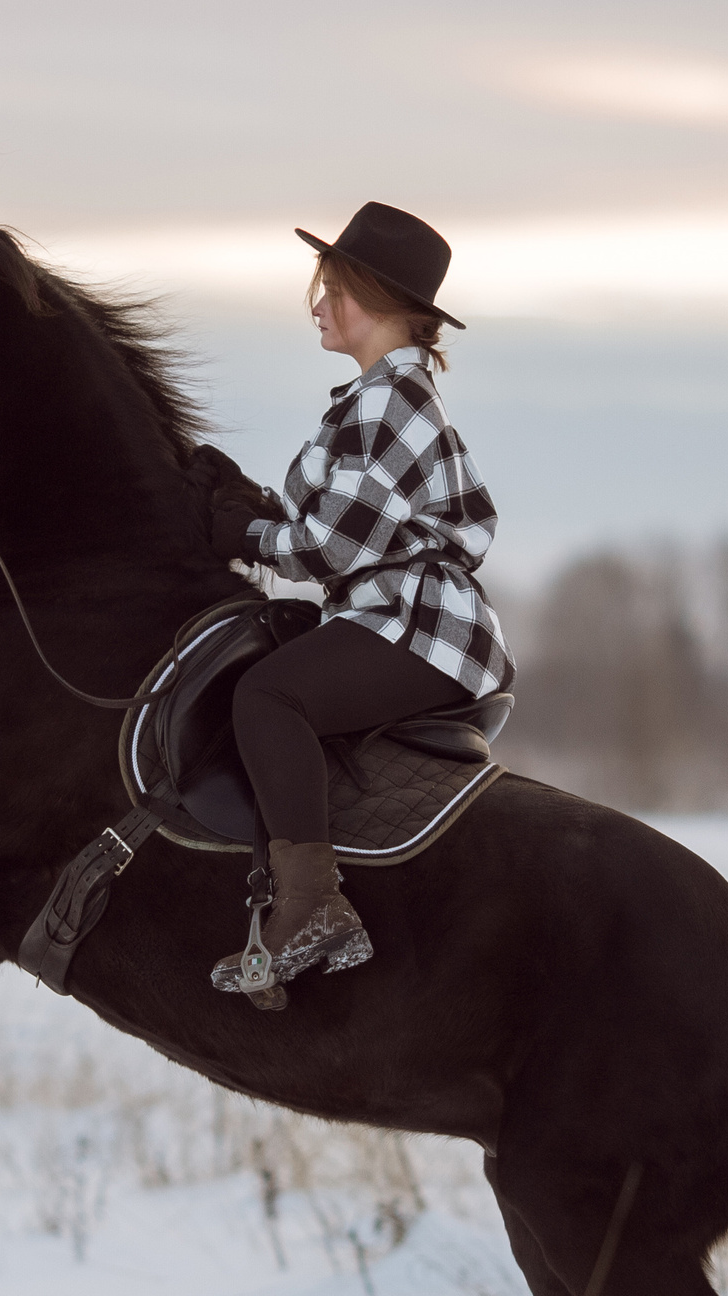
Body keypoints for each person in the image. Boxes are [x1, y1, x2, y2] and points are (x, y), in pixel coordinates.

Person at [204, 202, 510, 999]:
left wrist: (240, 537)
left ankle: (309, 904)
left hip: (418, 623)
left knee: (267, 695)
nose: (317, 305)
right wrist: (233, 499)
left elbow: (328, 549)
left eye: (330, 287)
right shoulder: (369, 398)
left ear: (373, 298)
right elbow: (315, 519)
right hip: (394, 614)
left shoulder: (389, 403)